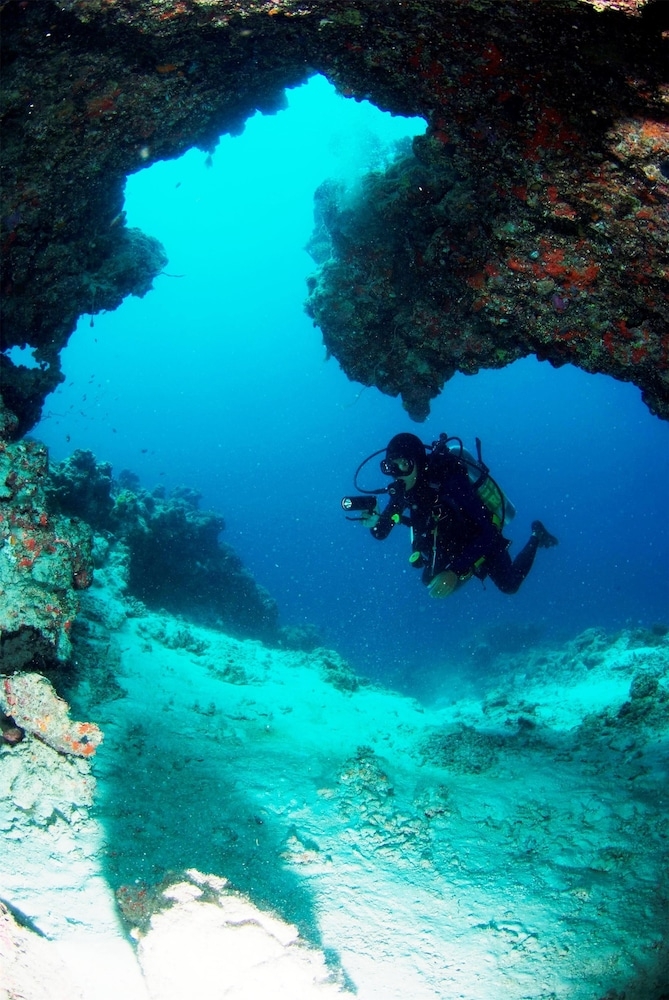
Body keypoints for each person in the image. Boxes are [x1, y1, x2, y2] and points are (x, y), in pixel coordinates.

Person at [357, 432, 557, 598]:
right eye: (390, 467)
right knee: (429, 579)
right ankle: (468, 566)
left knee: (510, 585)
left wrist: (455, 571)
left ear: (417, 462)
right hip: (450, 539)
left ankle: (536, 534)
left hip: (481, 535)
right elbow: (381, 532)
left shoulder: (450, 481)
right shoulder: (404, 489)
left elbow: (488, 532)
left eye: (404, 464)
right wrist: (374, 522)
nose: (397, 473)